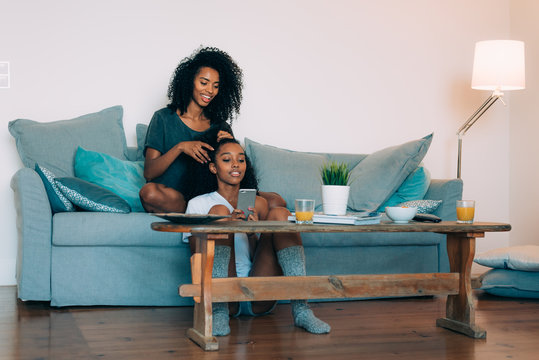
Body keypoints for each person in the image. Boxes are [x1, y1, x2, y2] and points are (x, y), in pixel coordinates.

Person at [183, 138, 331, 337]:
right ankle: (217, 312)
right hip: (224, 298)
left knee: (280, 213)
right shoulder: (198, 204)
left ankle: (302, 310)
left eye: (241, 160)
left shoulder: (255, 202)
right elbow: (197, 255)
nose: (236, 164)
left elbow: (259, 256)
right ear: (213, 168)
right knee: (218, 213)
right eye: (227, 160)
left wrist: (251, 231)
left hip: (259, 294)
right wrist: (226, 224)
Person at [140, 46, 285, 213]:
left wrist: (226, 144)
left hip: (213, 196)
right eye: (204, 83)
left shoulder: (220, 125)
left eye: (216, 86)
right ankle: (197, 211)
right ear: (189, 81)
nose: (210, 90)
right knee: (149, 193)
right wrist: (181, 147)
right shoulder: (163, 118)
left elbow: (232, 169)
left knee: (276, 201)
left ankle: (224, 214)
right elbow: (149, 173)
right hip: (179, 198)